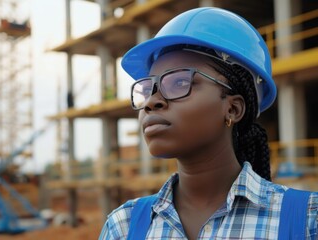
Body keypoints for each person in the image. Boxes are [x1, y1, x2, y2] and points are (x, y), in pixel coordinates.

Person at [99, 7, 318, 239]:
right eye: (146, 88)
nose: (152, 101)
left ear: (233, 108)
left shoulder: (308, 221)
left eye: (179, 82)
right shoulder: (124, 226)